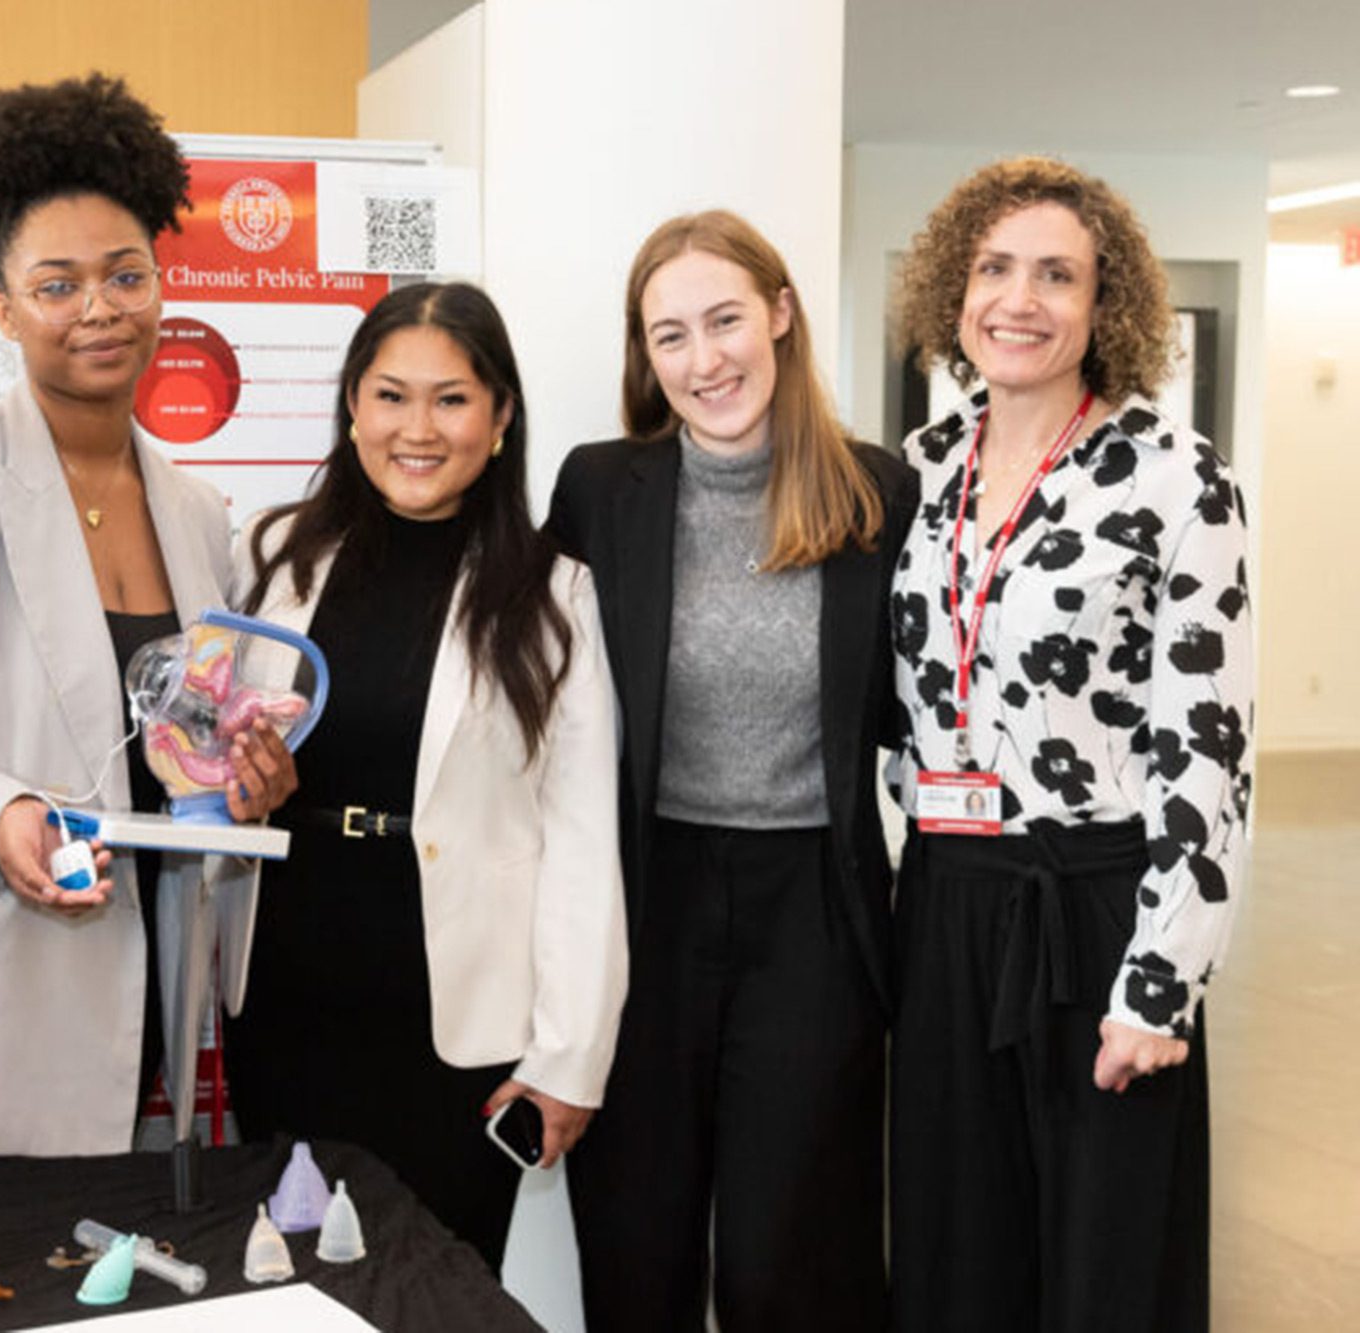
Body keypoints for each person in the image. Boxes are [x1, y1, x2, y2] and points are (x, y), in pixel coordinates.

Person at [0, 74, 293, 1163]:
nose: (98, 309)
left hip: (139, 1003)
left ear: (163, 287)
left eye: (126, 276)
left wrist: (243, 773)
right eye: (58, 283)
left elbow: (175, 741)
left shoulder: (198, 513)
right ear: (3, 307)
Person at [887, 157, 1253, 1332]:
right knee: (954, 1245)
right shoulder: (917, 470)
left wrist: (1159, 984)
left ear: (1106, 308)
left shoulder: (1176, 478)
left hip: (1096, 909)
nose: (1019, 299)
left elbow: (1207, 748)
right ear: (954, 291)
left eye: (1057, 274)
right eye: (993, 268)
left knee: (1101, 1261)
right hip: (943, 904)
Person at [548, 211, 918, 1330]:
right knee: (635, 1252)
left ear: (779, 314)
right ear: (643, 356)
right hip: (643, 904)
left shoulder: (874, 494)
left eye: (722, 321)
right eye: (669, 336)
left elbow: (929, 706)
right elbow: (539, 704)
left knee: (783, 1267)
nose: (702, 360)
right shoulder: (597, 490)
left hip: (811, 913)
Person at [225, 281, 627, 1272]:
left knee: (439, 1290)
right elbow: (216, 761)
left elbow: (581, 839)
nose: (416, 427)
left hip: (457, 1023)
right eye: (389, 395)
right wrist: (240, 787)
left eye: (450, 399)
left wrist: (568, 1054)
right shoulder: (277, 556)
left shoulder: (552, 591)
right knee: (295, 1287)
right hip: (287, 994)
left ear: (498, 419)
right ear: (351, 408)